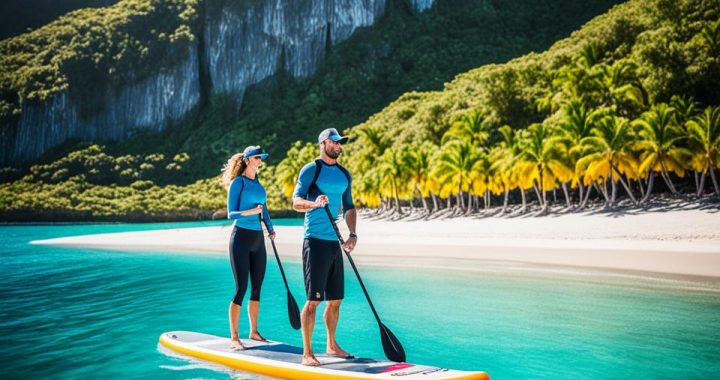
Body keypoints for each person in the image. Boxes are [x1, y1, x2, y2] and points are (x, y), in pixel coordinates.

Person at [292, 128, 358, 366]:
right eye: (335, 142)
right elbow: (296, 202)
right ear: (323, 144)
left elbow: (349, 207)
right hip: (315, 241)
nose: (339, 146)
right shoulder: (312, 170)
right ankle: (307, 353)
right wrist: (315, 204)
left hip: (334, 242)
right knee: (313, 300)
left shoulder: (344, 174)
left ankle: (331, 345)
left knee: (336, 299)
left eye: (340, 143)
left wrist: (352, 235)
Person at [220, 145, 276, 351]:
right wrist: (251, 211)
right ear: (247, 160)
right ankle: (234, 337)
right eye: (258, 158)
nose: (261, 161)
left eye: (261, 158)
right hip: (241, 238)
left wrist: (270, 228)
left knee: (257, 288)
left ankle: (254, 331)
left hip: (258, 239)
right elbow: (231, 214)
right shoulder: (238, 183)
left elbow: (264, 210)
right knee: (241, 288)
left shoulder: (258, 184)